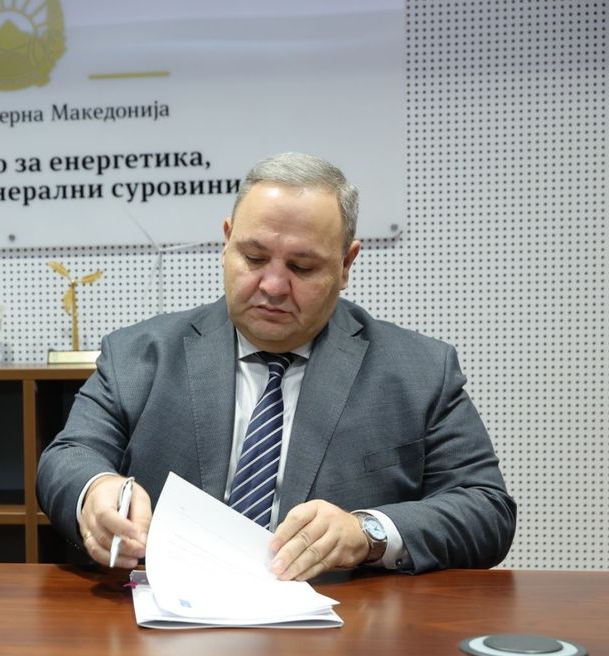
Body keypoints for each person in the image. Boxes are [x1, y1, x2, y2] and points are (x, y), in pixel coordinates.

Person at [37, 153, 515, 579]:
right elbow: (69, 457)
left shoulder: (419, 370)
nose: (272, 286)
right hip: (171, 620)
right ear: (226, 242)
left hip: (344, 629)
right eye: (254, 257)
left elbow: (486, 510)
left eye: (302, 267)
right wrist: (95, 492)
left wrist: (367, 532)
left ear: (346, 265)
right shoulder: (138, 354)